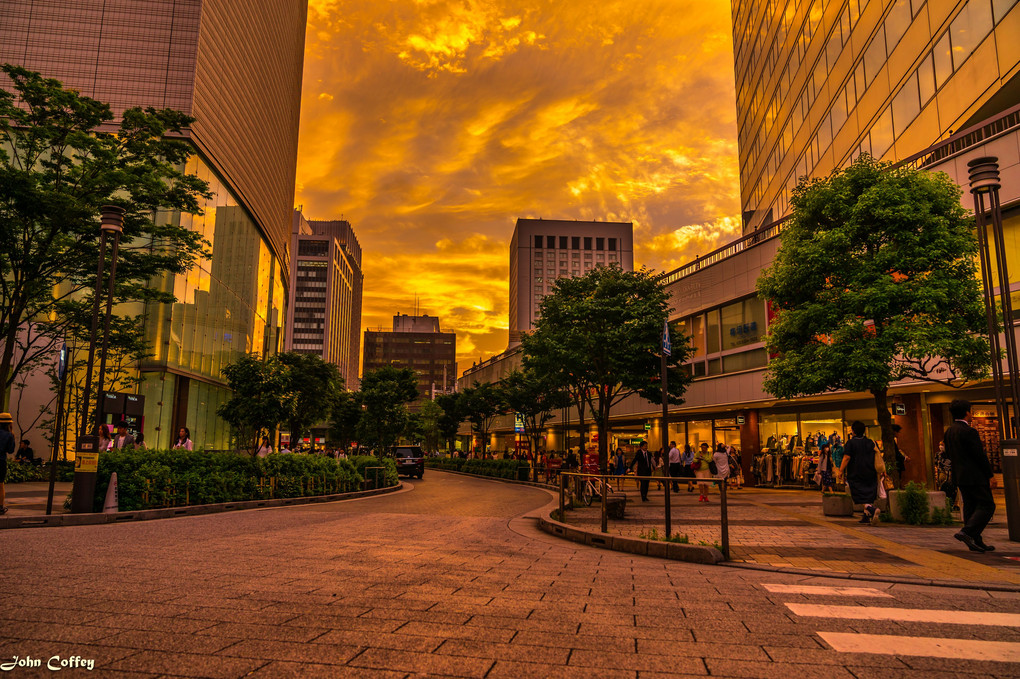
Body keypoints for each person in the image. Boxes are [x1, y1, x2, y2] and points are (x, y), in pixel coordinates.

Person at [944, 399, 996, 552]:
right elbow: (979, 455)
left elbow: (948, 453)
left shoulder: (949, 431)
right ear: (967, 412)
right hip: (975, 476)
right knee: (987, 505)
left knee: (970, 506)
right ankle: (967, 532)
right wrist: (990, 475)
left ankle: (975, 540)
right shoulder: (969, 431)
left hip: (960, 476)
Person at [838, 421, 880, 524]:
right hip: (871, 471)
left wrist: (840, 470)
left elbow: (847, 457)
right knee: (868, 493)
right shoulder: (870, 442)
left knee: (858, 493)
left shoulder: (851, 443)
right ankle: (866, 516)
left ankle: (870, 509)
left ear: (853, 431)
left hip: (856, 472)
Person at [0, 412, 14, 514]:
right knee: (0, 485)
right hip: (1, 461)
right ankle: (0, 506)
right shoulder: (9, 435)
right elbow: (10, 450)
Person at [892, 424, 909, 488]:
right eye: (898, 432)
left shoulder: (892, 441)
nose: (898, 434)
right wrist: (904, 458)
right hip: (896, 465)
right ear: (894, 432)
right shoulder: (892, 442)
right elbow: (897, 454)